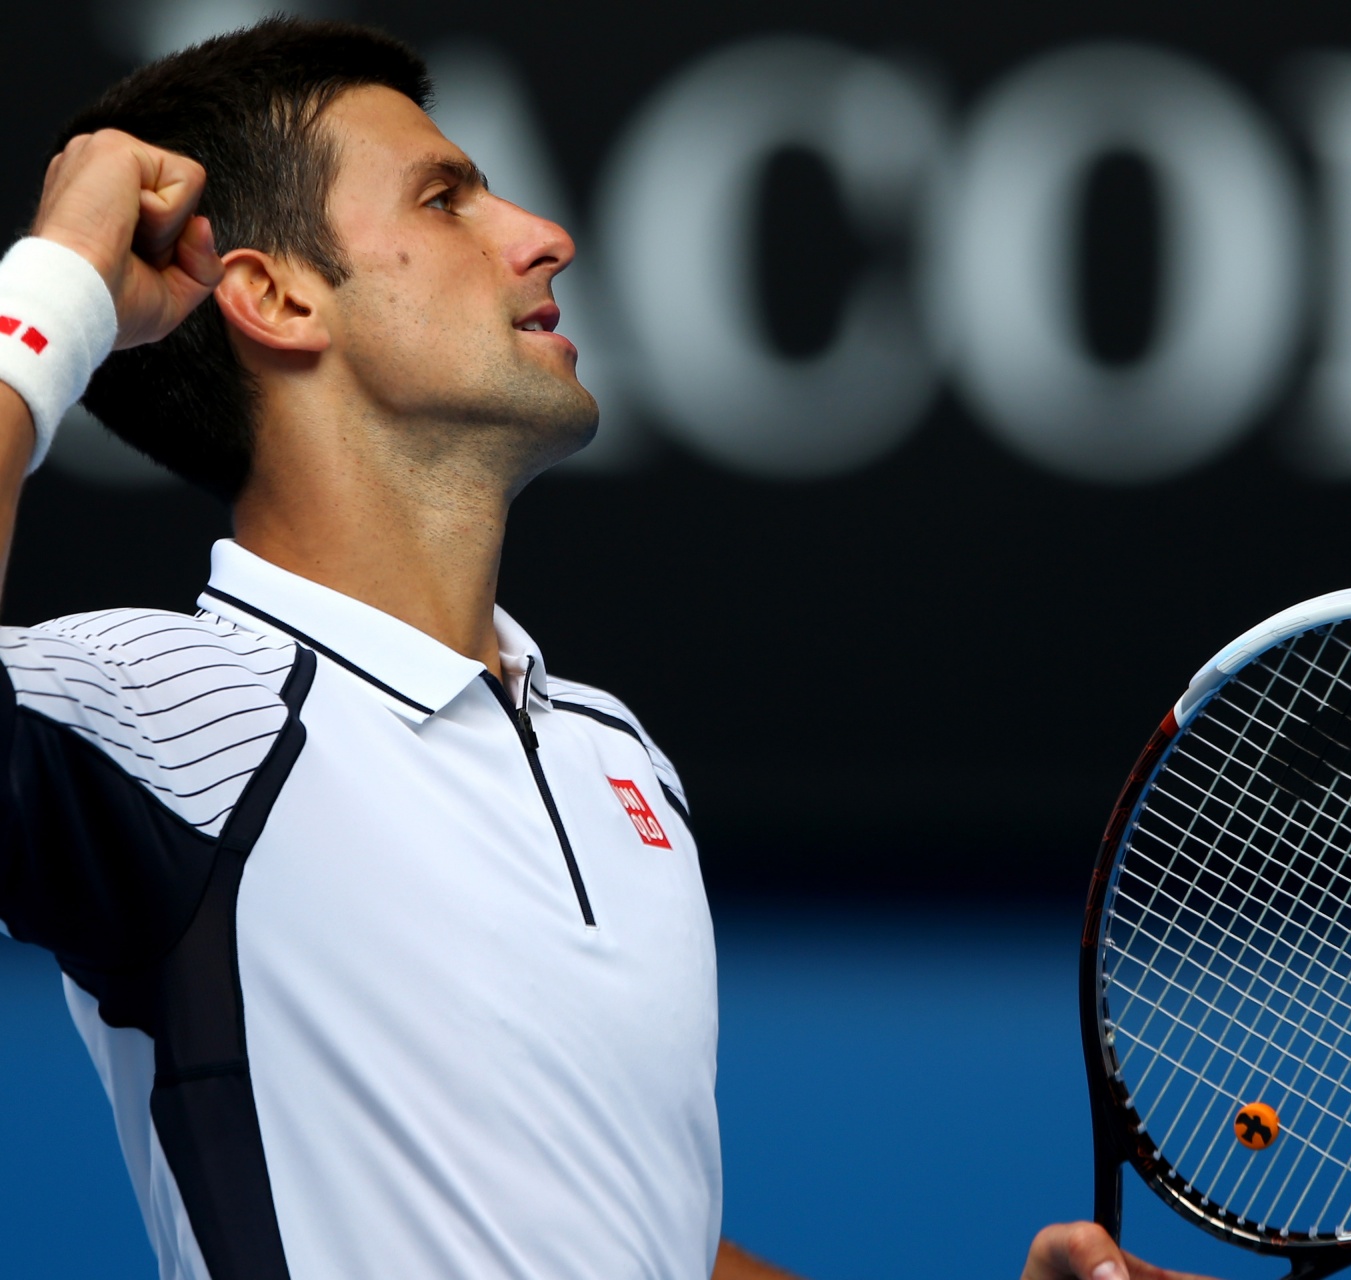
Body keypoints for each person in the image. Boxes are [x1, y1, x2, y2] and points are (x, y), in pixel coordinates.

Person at [0, 16, 1217, 1280]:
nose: (542, 234)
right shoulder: (154, 714)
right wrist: (56, 286)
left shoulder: (613, 752)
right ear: (277, 296)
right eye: (447, 197)